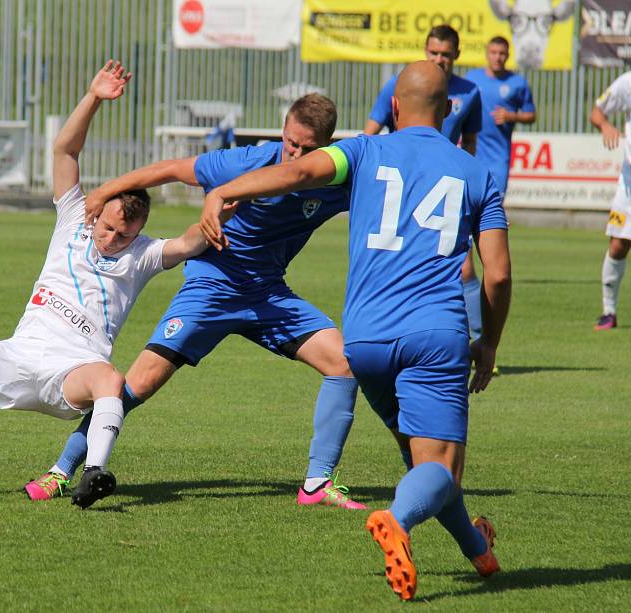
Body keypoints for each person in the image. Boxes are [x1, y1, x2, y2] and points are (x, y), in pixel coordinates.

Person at [199, 61, 511, 601]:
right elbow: (498, 273)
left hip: (364, 342)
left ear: (394, 106)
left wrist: (224, 192)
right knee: (438, 468)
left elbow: (295, 173)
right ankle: (396, 521)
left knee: (428, 468)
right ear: (451, 110)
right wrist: (489, 344)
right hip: (434, 336)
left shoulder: (363, 151)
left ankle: (479, 553)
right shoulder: (475, 172)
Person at [0, 61, 226, 509]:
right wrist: (93, 97)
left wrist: (226, 199)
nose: (112, 239)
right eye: (108, 227)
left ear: (140, 231)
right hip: (17, 354)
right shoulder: (76, 215)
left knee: (111, 379)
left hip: (72, 370)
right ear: (98, 211)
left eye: (124, 234)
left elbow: (193, 240)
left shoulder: (146, 254)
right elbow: (64, 153)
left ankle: (94, 472)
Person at [24, 93, 367, 510]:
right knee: (136, 385)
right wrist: (106, 191)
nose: (295, 154)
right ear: (283, 130)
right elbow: (170, 169)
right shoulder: (246, 163)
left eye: (308, 148)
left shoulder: (336, 181)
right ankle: (61, 472)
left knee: (344, 364)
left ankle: (317, 484)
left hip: (269, 295)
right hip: (212, 287)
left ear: (326, 145)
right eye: (291, 143)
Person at [365, 24, 486, 342]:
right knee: (394, 257)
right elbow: (370, 132)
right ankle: (391, 332)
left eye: (446, 54)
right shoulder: (401, 83)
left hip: (442, 188)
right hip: (403, 186)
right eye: (433, 52)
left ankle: (475, 340)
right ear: (424, 50)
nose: (439, 59)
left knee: (465, 268)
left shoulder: (469, 92)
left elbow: (470, 142)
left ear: (457, 55)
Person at [464, 35, 535, 340]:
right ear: (486, 53)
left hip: (497, 169)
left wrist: (513, 116)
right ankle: (475, 331)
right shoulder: (471, 80)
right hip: (468, 165)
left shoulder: (517, 83)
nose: (497, 57)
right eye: (493, 52)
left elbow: (531, 114)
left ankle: (480, 334)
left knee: (483, 247)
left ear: (508, 55)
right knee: (463, 261)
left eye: (502, 53)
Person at [589, 70, 631, 330]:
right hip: (630, 183)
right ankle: (609, 311)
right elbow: (597, 111)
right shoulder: (627, 82)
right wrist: (606, 125)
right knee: (618, 245)